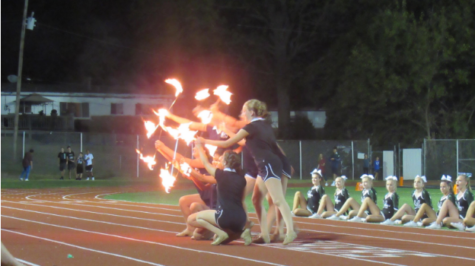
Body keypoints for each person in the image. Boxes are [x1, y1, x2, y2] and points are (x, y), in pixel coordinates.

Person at [199, 99, 297, 245]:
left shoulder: (251, 127)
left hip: (268, 164)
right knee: (256, 199)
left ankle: (290, 231)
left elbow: (227, 144)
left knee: (277, 199)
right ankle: (265, 235)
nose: (242, 113)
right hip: (271, 164)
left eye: (244, 111)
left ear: (252, 112)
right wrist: (226, 130)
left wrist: (204, 141)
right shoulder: (263, 126)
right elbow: (245, 142)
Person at [188, 142, 252, 246]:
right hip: (240, 219)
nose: (219, 161)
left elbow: (205, 163)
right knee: (225, 240)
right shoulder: (241, 179)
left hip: (224, 217)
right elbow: (242, 201)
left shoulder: (220, 175)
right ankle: (242, 232)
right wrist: (247, 221)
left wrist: (199, 147)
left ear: (226, 162)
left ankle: (220, 233)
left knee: (193, 219)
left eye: (221, 159)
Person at [155, 140, 218, 239]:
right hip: (204, 193)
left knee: (193, 206)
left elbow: (181, 159)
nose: (193, 149)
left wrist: (164, 147)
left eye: (196, 148)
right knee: (183, 200)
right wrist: (161, 151)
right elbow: (175, 161)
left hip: (212, 195)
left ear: (204, 151)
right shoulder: (196, 164)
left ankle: (208, 228)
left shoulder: (204, 162)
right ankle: (190, 228)